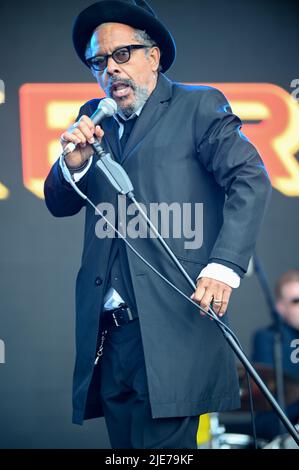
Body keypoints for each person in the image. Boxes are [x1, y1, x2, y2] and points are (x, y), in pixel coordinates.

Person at [44, 0, 272, 449]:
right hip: (110, 338)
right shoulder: (94, 118)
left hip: (173, 328)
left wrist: (223, 267)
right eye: (99, 61)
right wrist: (72, 165)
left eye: (121, 54)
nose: (110, 69)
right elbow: (58, 202)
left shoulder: (198, 105)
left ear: (154, 55)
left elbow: (250, 178)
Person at [252, 270, 299, 440]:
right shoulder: (268, 338)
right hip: (278, 422)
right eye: (296, 301)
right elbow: (269, 390)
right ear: (280, 308)